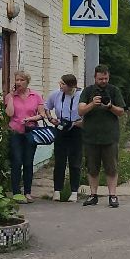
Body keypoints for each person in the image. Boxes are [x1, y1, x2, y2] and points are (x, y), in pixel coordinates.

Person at [78, 64, 127, 208]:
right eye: (100, 79)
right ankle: (93, 195)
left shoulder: (114, 90)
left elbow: (121, 111)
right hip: (91, 136)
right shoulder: (88, 91)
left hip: (110, 136)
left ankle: (113, 195)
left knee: (111, 167)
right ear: (95, 78)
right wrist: (93, 104)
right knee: (92, 167)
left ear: (108, 76)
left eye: (105, 78)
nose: (103, 81)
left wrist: (110, 106)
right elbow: (81, 111)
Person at [4, 71, 47, 202]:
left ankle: (28, 192)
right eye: (17, 80)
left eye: (21, 80)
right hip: (15, 132)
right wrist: (11, 96)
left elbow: (42, 114)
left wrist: (30, 118)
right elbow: (9, 113)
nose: (18, 82)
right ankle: (16, 193)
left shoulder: (36, 96)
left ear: (27, 81)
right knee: (16, 162)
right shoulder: (10, 96)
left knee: (28, 162)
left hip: (30, 131)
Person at [45, 73, 84, 202]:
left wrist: (79, 122)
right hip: (61, 128)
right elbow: (46, 107)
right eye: (60, 83)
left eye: (63, 84)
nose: (60, 86)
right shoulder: (56, 94)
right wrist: (51, 119)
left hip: (76, 129)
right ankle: (57, 190)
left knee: (75, 161)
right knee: (60, 160)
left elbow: (89, 112)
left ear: (71, 86)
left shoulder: (81, 95)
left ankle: (74, 191)